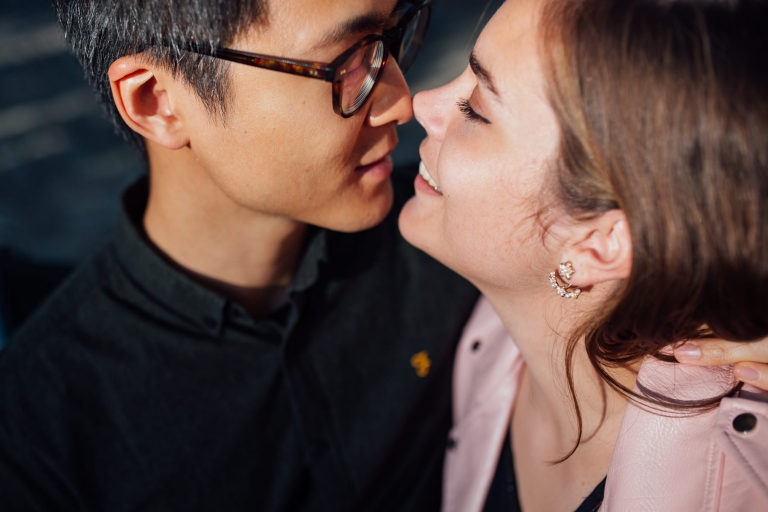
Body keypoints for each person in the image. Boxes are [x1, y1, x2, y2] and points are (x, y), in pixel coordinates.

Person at [0, 1, 481, 510]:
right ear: (155, 100)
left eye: (393, 36)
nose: (400, 100)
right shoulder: (39, 445)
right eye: (346, 62)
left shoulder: (453, 240)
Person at [397, 0, 768, 510]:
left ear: (601, 245)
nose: (423, 103)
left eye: (477, 110)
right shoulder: (491, 330)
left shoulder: (726, 492)